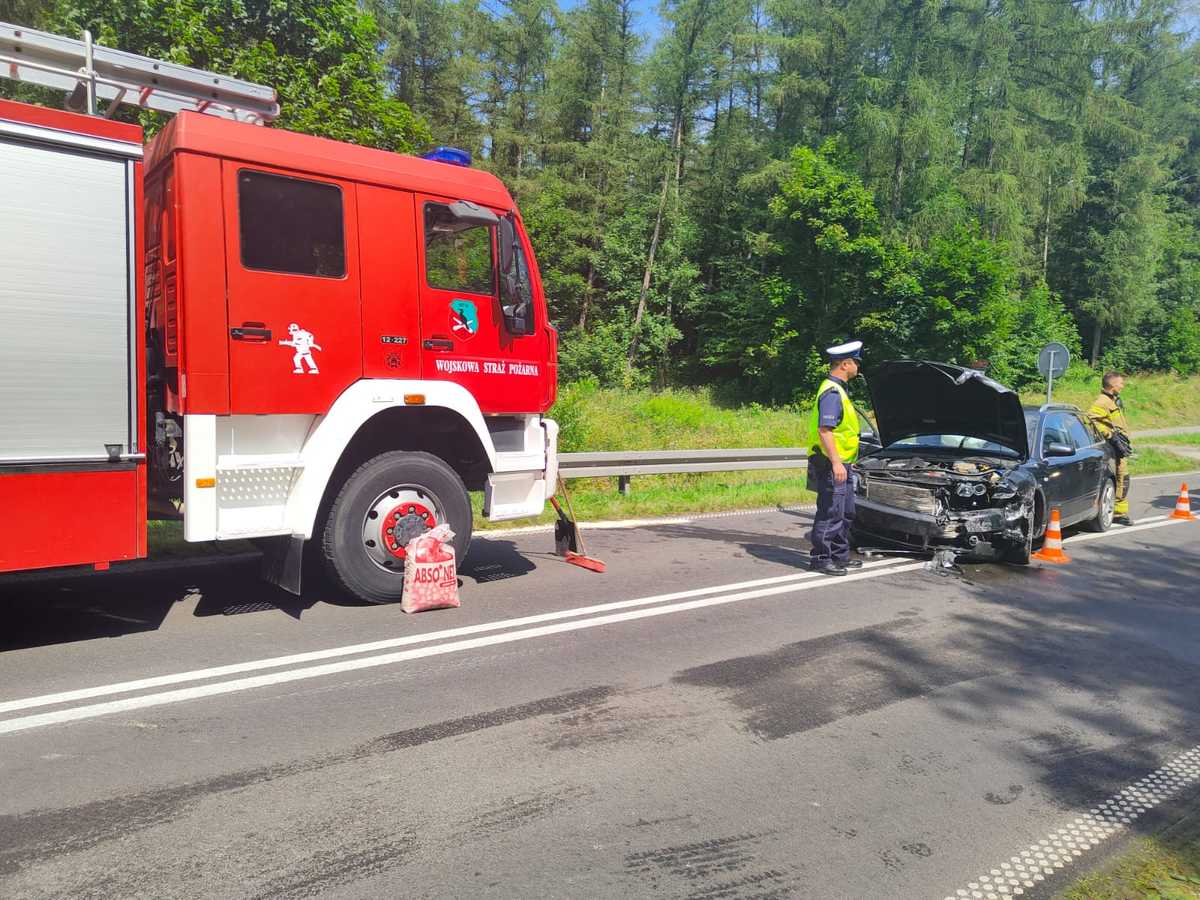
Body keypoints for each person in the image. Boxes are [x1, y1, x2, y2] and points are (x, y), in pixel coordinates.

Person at [807, 341, 864, 575]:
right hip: (833, 464)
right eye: (856, 362)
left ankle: (840, 556)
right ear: (845, 363)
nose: (858, 367)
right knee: (830, 511)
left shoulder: (840, 389)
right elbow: (825, 430)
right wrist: (836, 462)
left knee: (845, 512)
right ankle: (820, 558)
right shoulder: (832, 391)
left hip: (843, 464)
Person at [1088, 372, 1133, 525]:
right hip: (1111, 449)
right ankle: (1115, 513)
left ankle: (1119, 512)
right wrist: (1111, 437)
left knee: (1123, 478)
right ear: (1112, 385)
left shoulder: (1112, 400)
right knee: (1117, 478)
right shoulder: (1102, 402)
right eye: (1121, 383)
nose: (1123, 385)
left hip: (1118, 448)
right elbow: (1093, 420)